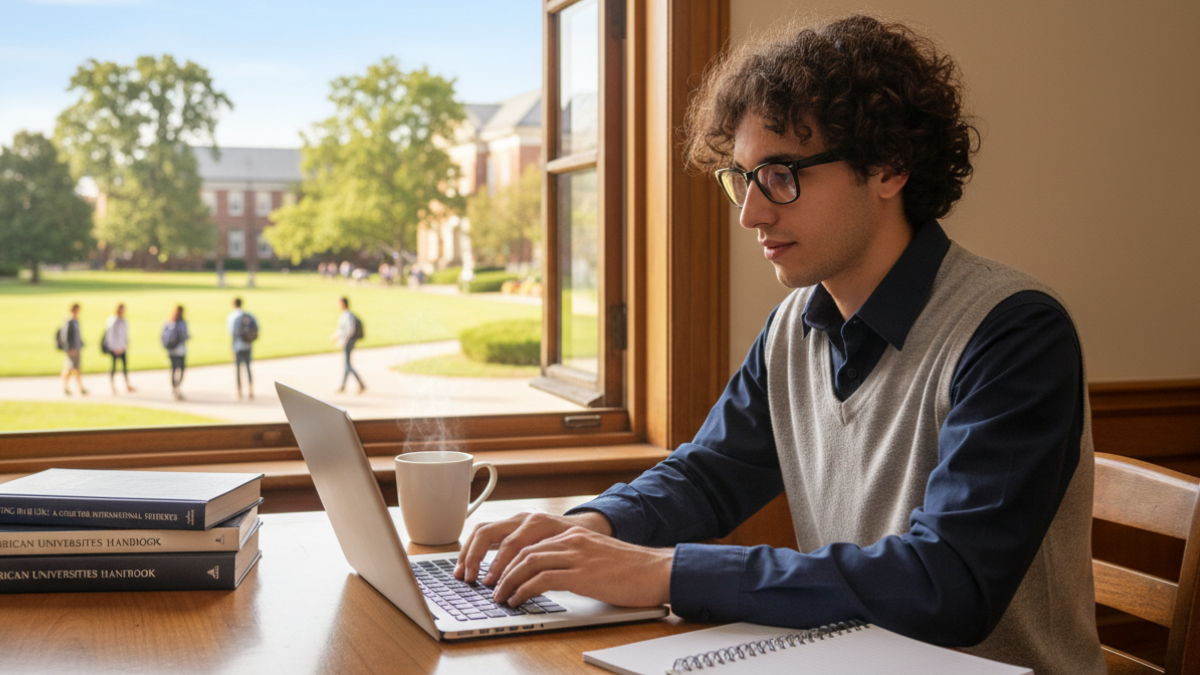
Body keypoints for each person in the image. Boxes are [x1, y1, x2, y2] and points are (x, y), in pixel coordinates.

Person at [455, 15, 1102, 675]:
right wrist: (591, 526)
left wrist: (662, 572)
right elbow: (709, 474)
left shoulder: (1015, 333)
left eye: (781, 175)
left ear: (890, 166)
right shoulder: (793, 326)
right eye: (742, 178)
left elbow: (949, 582)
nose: (751, 213)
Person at [331, 296, 366, 394]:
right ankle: (343, 386)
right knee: (347, 364)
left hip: (348, 343)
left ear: (343, 303)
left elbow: (350, 329)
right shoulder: (345, 315)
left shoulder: (347, 316)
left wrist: (344, 340)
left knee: (348, 365)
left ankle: (360, 384)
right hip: (348, 342)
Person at [226, 297, 256, 400]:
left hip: (237, 346)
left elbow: (231, 332)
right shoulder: (248, 315)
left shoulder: (232, 316)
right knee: (248, 368)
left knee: (238, 369)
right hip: (248, 345)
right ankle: (251, 390)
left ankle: (239, 391)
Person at [103, 303, 136, 394]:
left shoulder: (124, 321)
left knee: (125, 367)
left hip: (122, 347)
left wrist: (125, 345)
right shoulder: (112, 320)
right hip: (115, 348)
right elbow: (110, 336)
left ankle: (127, 384)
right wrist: (114, 347)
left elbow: (125, 335)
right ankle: (112, 385)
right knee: (113, 367)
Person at [162, 305, 189, 401]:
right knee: (181, 369)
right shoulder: (182, 323)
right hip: (180, 350)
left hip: (172, 350)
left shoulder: (170, 322)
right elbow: (185, 335)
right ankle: (177, 387)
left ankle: (174, 388)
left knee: (173, 370)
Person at [58, 303, 87, 396]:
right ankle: (65, 386)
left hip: (77, 348)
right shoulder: (69, 321)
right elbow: (65, 336)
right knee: (69, 368)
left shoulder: (76, 320)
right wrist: (70, 348)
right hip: (72, 349)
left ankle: (80, 387)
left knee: (76, 368)